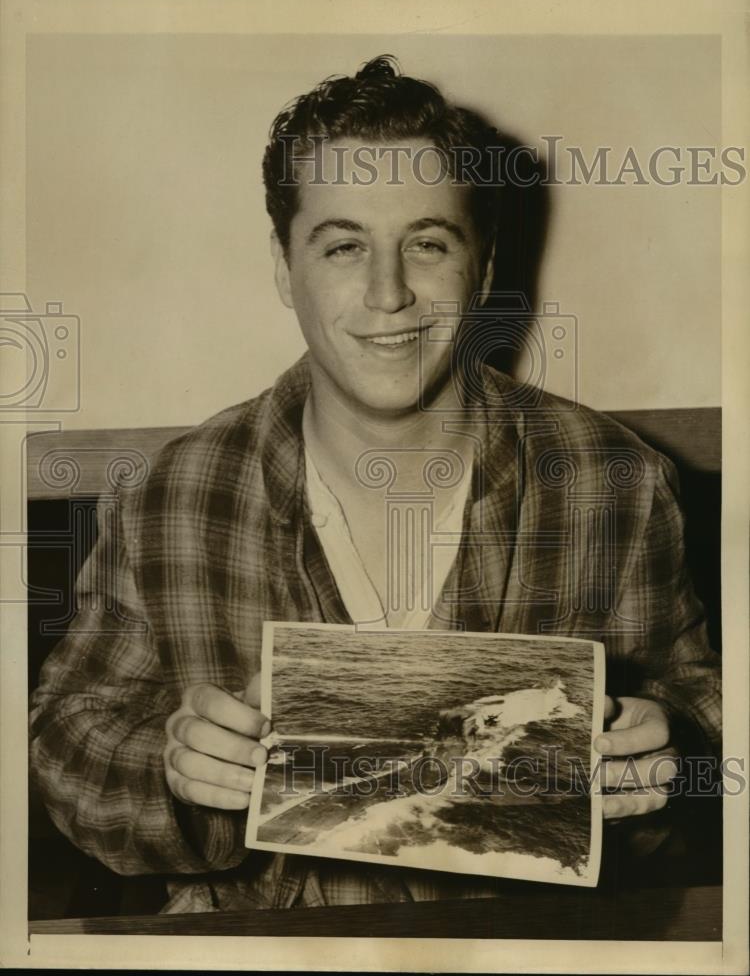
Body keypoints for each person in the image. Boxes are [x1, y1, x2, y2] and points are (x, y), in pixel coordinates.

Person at [30, 56, 721, 913]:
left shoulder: (609, 481)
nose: (389, 293)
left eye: (428, 244)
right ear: (286, 268)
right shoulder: (174, 494)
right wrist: (171, 772)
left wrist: (671, 755)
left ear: (485, 266)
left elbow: (700, 715)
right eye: (344, 245)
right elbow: (64, 736)